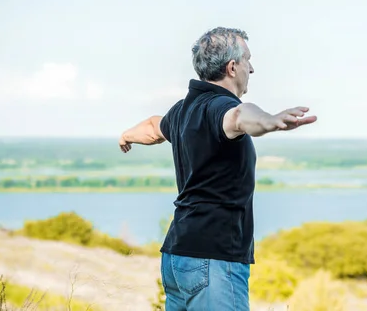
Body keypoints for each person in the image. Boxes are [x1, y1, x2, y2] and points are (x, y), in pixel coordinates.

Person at [118, 27, 317, 310]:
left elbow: (152, 127)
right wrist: (271, 121)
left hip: (177, 257)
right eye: (248, 59)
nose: (252, 68)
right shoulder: (220, 107)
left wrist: (126, 135)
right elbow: (241, 116)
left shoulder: (182, 109)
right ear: (233, 66)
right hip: (214, 260)